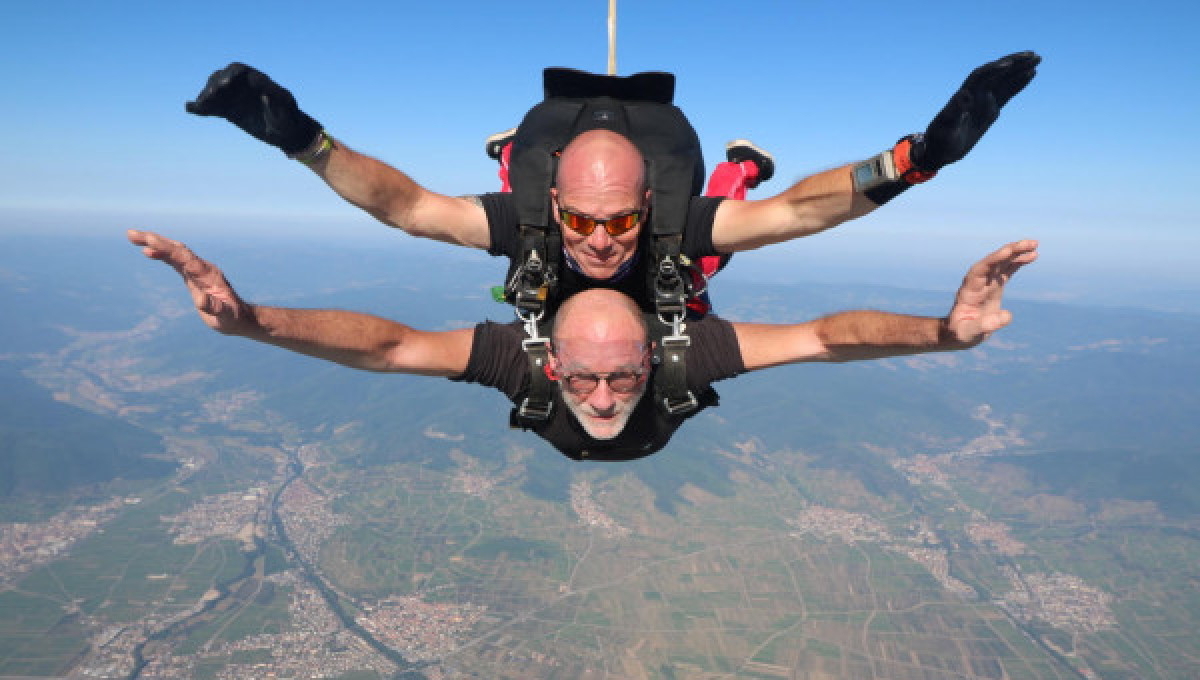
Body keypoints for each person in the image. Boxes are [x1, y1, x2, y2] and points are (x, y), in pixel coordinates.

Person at [185, 53, 1039, 312]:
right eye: (585, 229)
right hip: (658, 181)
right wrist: (918, 158)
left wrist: (299, 138)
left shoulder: (539, 232)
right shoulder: (676, 250)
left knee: (525, 191)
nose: (599, 243)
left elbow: (408, 209)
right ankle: (738, 155)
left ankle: (515, 151)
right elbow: (792, 213)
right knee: (731, 210)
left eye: (617, 226)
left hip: (567, 167)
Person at [127, 229, 1038, 462]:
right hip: (604, 309)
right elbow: (389, 345)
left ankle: (727, 184)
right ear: (550, 364)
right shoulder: (541, 358)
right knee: (665, 259)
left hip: (657, 311)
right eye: (588, 380)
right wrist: (254, 322)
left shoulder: (684, 350)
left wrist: (943, 336)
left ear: (652, 359)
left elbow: (823, 337)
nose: (602, 399)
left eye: (618, 378)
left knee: (685, 266)